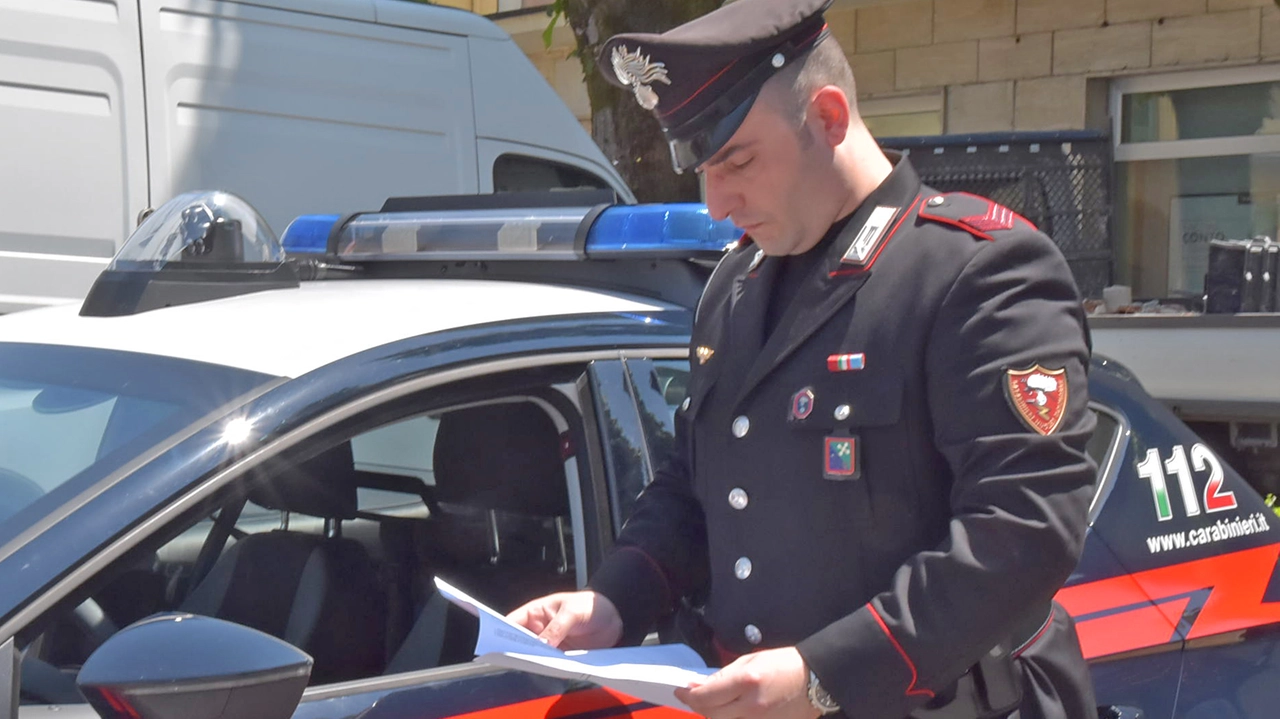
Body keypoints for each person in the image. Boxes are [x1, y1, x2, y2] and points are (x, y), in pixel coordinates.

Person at [508, 1, 1099, 717]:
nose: (718, 201)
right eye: (702, 168)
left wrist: (825, 675)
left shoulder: (976, 272)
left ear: (828, 117)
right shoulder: (736, 281)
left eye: (737, 161)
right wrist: (616, 597)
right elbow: (701, 477)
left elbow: (1024, 531)